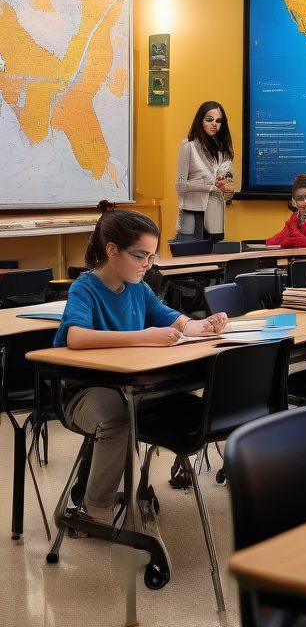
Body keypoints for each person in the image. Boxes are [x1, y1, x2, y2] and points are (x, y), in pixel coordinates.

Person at [54, 210, 228, 523]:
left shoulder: (139, 288)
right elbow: (76, 337)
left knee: (162, 402)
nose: (147, 264)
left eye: (151, 256)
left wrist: (205, 326)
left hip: (129, 385)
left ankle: (107, 494)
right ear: (111, 249)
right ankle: (96, 510)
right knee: (117, 418)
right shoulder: (86, 287)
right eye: (140, 256)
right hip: (82, 391)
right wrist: (143, 337)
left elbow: (175, 320)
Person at [175, 100, 234, 242]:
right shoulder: (188, 146)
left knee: (213, 260)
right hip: (192, 216)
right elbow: (179, 185)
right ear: (200, 120)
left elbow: (228, 195)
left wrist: (228, 191)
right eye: (209, 119)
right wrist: (210, 187)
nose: (214, 124)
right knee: (191, 259)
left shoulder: (224, 151)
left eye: (218, 121)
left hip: (215, 217)